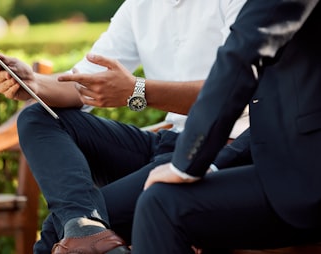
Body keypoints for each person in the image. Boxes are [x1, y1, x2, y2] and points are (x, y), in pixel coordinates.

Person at [0, 0, 248, 253]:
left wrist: (138, 91)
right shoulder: (139, 6)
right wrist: (33, 83)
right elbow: (83, 83)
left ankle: (85, 229)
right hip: (166, 142)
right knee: (37, 117)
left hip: (219, 149)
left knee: (56, 234)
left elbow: (231, 92)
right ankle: (85, 227)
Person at [130, 0, 321, 253]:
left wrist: (186, 164)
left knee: (161, 204)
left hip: (305, 176)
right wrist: (211, 163)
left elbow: (241, 55)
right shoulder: (138, 8)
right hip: (283, 164)